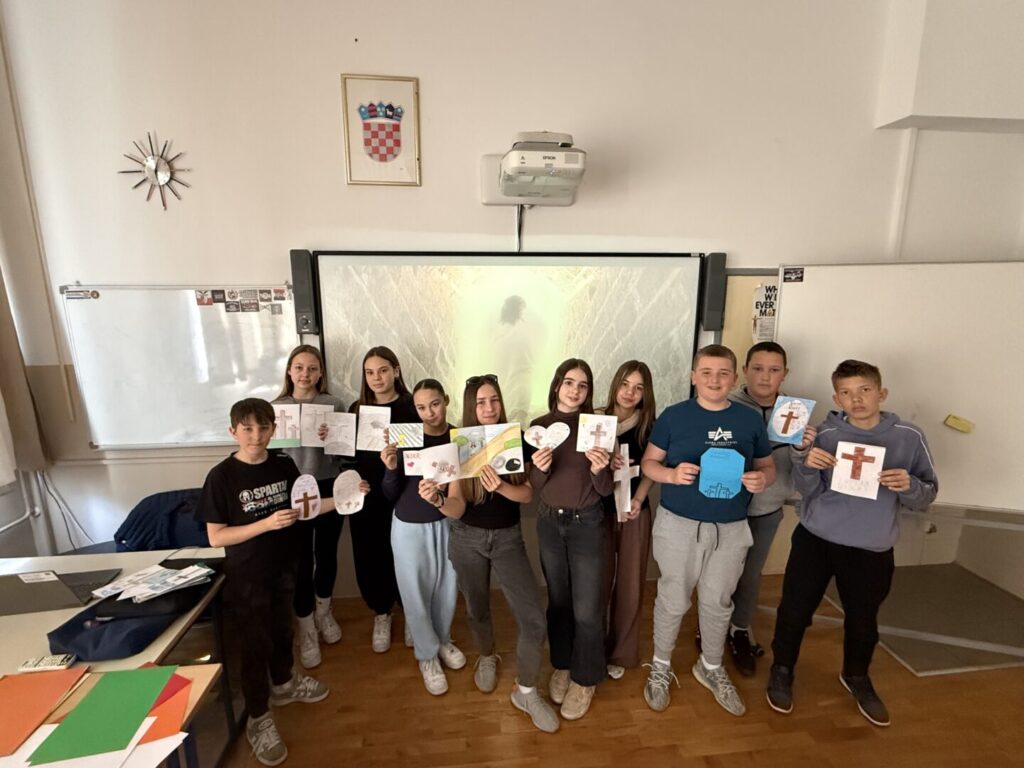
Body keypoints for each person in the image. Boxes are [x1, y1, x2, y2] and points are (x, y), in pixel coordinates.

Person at [766, 359, 938, 727]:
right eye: (846, 393)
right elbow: (807, 490)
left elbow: (926, 495)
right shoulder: (825, 434)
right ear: (836, 398)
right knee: (794, 610)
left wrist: (909, 485)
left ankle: (856, 675)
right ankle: (782, 669)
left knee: (863, 620)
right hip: (816, 539)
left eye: (864, 390)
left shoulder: (908, 436)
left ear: (881, 393)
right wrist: (807, 464)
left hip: (871, 548)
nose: (856, 400)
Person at [640, 344, 774, 717]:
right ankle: (661, 665)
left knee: (718, 601)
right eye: (707, 372)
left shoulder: (749, 420)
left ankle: (711, 666)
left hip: (730, 528)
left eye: (723, 373)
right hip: (679, 525)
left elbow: (767, 466)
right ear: (693, 377)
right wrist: (670, 475)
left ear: (735, 377)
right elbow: (649, 463)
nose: (715, 380)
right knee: (673, 598)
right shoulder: (674, 416)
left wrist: (762, 479)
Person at [196, 398, 331, 767]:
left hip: (285, 567)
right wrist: (266, 524)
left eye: (263, 427)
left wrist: (346, 497)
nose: (256, 435)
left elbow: (305, 507)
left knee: (282, 630)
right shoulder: (221, 476)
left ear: (274, 429)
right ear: (233, 432)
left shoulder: (283, 465)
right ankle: (258, 717)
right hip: (247, 575)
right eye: (247, 429)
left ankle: (284, 684)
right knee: (255, 643)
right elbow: (216, 537)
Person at [448, 374, 559, 732]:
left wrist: (500, 487)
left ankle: (525, 691)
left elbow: (526, 495)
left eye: (494, 399)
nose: (489, 407)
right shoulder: (460, 444)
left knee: (533, 619)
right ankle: (486, 655)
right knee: (476, 607)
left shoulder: (516, 439)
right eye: (481, 402)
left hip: (508, 538)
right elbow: (456, 507)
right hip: (466, 538)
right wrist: (437, 500)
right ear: (471, 407)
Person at [722, 342, 815, 676]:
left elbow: (803, 469)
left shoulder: (795, 411)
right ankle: (711, 625)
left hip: (767, 507)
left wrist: (803, 450)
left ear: (784, 374)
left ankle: (740, 629)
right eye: (758, 368)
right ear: (745, 371)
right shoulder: (725, 403)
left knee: (750, 574)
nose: (765, 376)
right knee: (719, 573)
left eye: (774, 370)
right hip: (724, 507)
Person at [528, 358, 613, 721]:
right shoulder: (539, 426)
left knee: (588, 608)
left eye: (583, 384)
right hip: (549, 523)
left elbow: (605, 489)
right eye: (569, 382)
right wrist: (541, 468)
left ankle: (585, 678)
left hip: (588, 524)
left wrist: (599, 468)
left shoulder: (598, 427)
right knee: (559, 601)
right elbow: (534, 486)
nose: (575, 390)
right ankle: (562, 665)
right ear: (557, 385)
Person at [382, 378, 466, 695]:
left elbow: (462, 491)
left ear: (446, 400)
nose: (429, 412)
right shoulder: (406, 438)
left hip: (446, 523)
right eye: (421, 407)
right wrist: (391, 468)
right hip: (408, 526)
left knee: (447, 589)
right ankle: (426, 655)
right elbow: (389, 492)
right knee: (414, 593)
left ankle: (442, 639)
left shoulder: (458, 438)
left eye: (435, 404)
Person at [273, 345, 346, 669]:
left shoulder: (333, 404)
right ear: (289, 371)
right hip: (292, 490)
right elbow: (269, 456)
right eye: (299, 367)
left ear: (320, 373)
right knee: (300, 560)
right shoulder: (276, 409)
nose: (305, 374)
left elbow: (344, 452)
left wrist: (334, 437)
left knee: (327, 554)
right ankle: (305, 626)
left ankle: (324, 611)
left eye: (312, 368)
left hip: (328, 484)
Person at [349, 346, 418, 652]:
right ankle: (381, 612)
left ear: (396, 371)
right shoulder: (356, 410)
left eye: (383, 370)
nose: (376, 378)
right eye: (369, 372)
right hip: (367, 496)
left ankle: (412, 612)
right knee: (371, 553)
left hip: (404, 494)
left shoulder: (411, 406)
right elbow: (347, 457)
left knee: (407, 556)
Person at [599, 361, 657, 680]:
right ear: (615, 385)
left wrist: (638, 499)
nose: (629, 393)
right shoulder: (596, 419)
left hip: (635, 510)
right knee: (596, 581)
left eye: (638, 388)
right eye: (624, 384)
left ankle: (621, 651)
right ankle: (594, 647)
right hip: (598, 512)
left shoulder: (650, 426)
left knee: (630, 583)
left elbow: (651, 469)